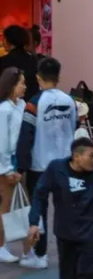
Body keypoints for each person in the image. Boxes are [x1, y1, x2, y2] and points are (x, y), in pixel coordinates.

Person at [16, 57, 76, 269]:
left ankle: (39, 255)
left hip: (39, 166)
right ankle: (69, 251)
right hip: (66, 165)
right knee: (65, 208)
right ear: (58, 77)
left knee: (38, 210)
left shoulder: (34, 103)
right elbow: (73, 128)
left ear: (38, 78)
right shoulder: (70, 101)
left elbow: (26, 136)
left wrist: (20, 167)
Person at [27, 137, 93, 279]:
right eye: (91, 156)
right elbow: (40, 194)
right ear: (77, 156)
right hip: (66, 236)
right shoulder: (56, 169)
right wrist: (34, 222)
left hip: (90, 236)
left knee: (88, 274)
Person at [0, 68, 24, 262]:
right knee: (5, 206)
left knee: (14, 206)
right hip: (6, 164)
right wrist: (7, 168)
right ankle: (1, 246)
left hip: (17, 161)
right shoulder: (4, 109)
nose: (24, 87)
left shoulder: (21, 105)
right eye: (21, 83)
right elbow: (3, 142)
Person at [0, 26, 38, 101]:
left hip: (9, 103)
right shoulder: (33, 60)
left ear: (9, 40)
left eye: (4, 38)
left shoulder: (3, 61)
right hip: (31, 103)